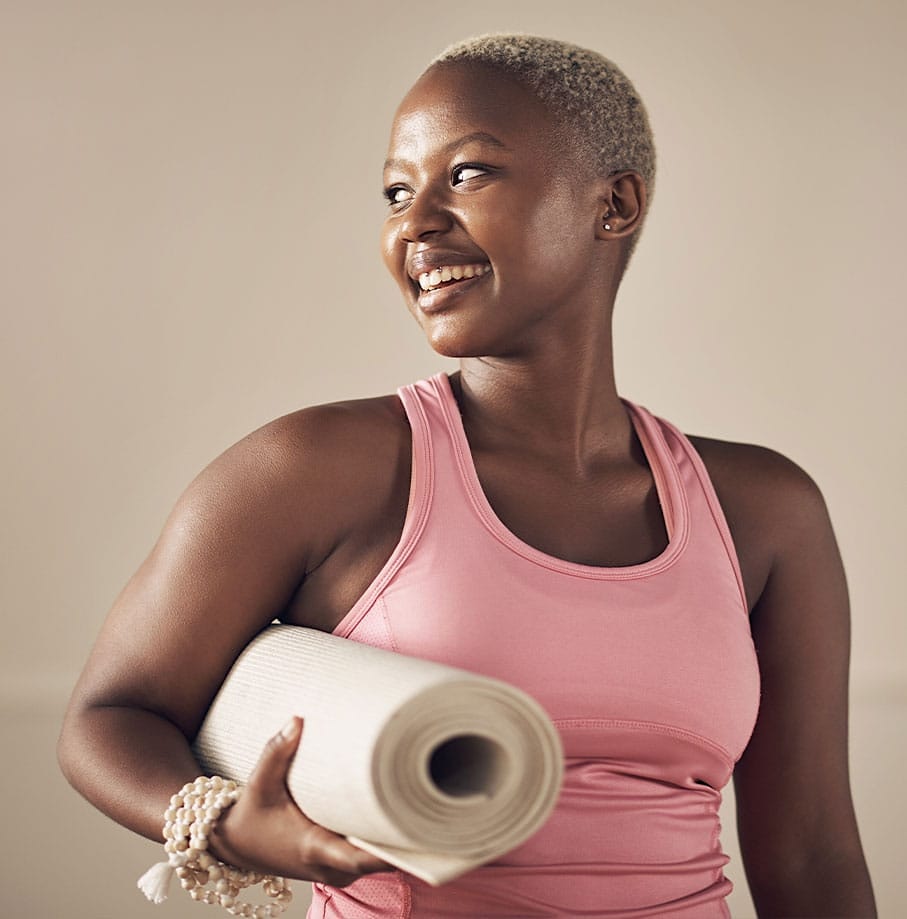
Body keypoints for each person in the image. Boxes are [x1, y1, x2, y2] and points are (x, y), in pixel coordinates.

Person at [58, 33, 876, 918]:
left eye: (469, 174)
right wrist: (222, 821)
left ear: (614, 204)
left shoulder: (763, 511)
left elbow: (811, 855)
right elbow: (108, 716)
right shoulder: (318, 470)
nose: (413, 224)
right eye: (397, 191)